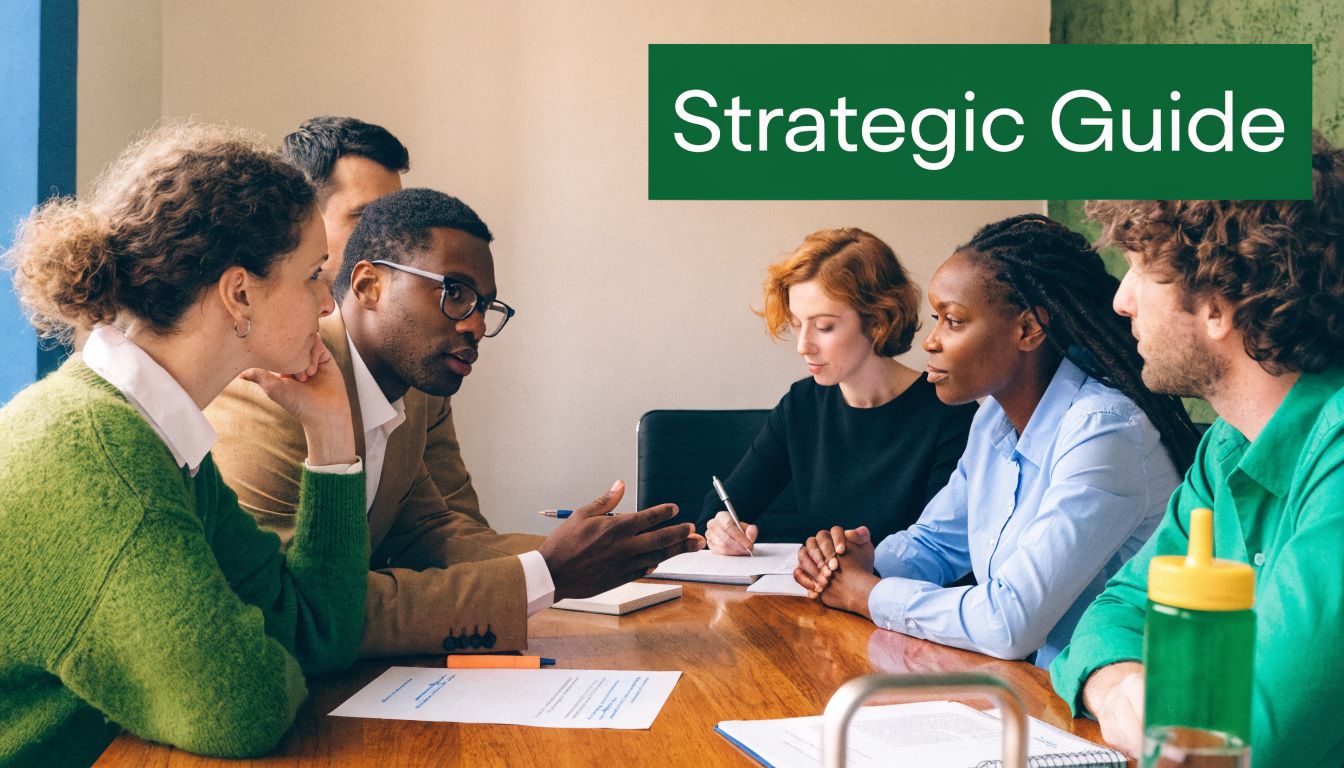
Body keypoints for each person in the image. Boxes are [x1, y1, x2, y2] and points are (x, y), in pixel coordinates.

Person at [0, 124, 368, 765]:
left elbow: (315, 634)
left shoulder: (153, 438)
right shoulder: (103, 463)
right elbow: (242, 710)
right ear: (239, 292)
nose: (327, 302)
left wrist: (331, 437)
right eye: (314, 275)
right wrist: (253, 654)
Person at [207, 186, 704, 657]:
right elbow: (305, 609)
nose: (476, 325)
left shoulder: (414, 393)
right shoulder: (276, 392)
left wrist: (608, 553)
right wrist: (548, 572)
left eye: (485, 306)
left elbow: (427, 533)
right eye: (457, 293)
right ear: (368, 285)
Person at [1050, 133, 1344, 767]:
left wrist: (1155, 710)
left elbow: (1255, 738)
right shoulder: (1226, 448)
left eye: (1139, 267)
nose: (1119, 300)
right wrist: (1120, 682)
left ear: (1215, 304)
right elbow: (1117, 612)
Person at [796, 214, 1201, 668]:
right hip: (1033, 693)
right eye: (936, 319)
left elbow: (1011, 621)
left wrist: (868, 593)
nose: (930, 342)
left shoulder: (1106, 431)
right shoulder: (993, 420)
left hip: (1108, 709)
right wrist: (857, 562)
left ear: (1028, 329)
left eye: (952, 320)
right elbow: (937, 543)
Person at [698, 228, 977, 553]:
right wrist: (722, 530)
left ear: (877, 320)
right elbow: (721, 509)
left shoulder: (951, 414)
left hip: (902, 602)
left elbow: (942, 554)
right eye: (797, 324)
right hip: (812, 600)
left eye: (824, 327)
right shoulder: (800, 406)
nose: (803, 346)